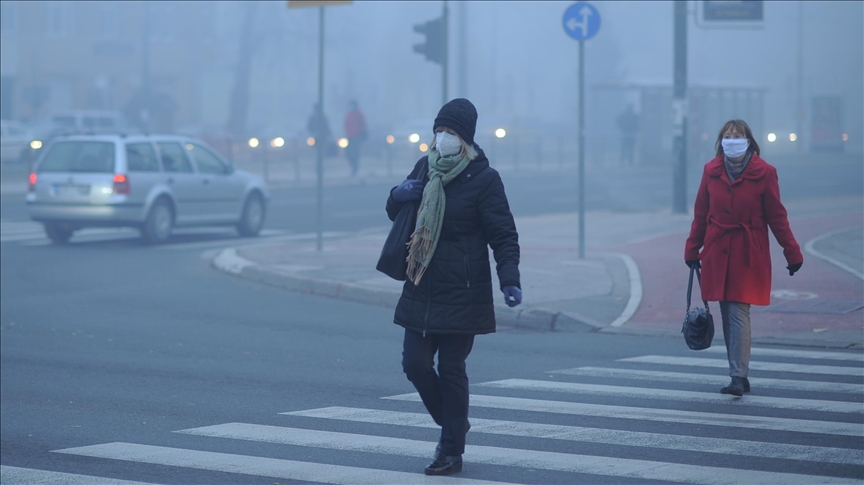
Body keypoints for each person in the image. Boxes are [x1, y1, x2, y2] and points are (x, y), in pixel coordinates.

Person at [385, 98, 522, 476]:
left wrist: (509, 278)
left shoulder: (484, 179)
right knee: (414, 364)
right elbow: (397, 210)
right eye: (438, 131)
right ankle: (454, 424)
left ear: (464, 138)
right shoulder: (425, 167)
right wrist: (396, 196)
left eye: (449, 132)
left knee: (451, 368)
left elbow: (503, 234)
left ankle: (450, 451)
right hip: (422, 283)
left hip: (464, 290)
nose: (442, 137)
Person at [684, 119, 803, 397]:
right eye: (727, 135)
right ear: (720, 140)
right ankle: (738, 372)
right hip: (716, 248)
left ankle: (738, 376)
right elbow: (701, 213)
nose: (731, 139)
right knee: (727, 312)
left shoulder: (765, 172)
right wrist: (692, 248)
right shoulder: (710, 171)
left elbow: (777, 216)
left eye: (737, 135)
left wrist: (792, 251)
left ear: (748, 140)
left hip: (748, 251)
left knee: (738, 311)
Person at [343, 100, 368, 176]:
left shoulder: (359, 114)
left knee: (355, 154)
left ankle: (355, 169)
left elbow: (363, 125)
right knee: (347, 154)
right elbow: (346, 124)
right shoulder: (349, 114)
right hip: (349, 137)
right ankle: (353, 167)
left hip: (357, 137)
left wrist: (358, 132)